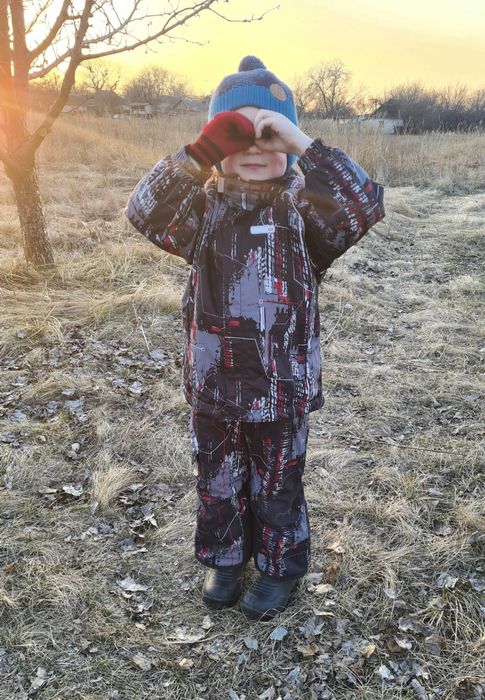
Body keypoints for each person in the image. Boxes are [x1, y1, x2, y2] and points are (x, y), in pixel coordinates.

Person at [125, 55, 385, 621]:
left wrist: (302, 143)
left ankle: (278, 568)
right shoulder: (201, 210)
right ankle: (225, 559)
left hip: (281, 386)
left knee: (277, 484)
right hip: (214, 381)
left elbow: (364, 205)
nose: (253, 147)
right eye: (235, 134)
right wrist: (199, 154)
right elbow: (143, 210)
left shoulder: (305, 212)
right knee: (217, 481)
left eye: (268, 135)